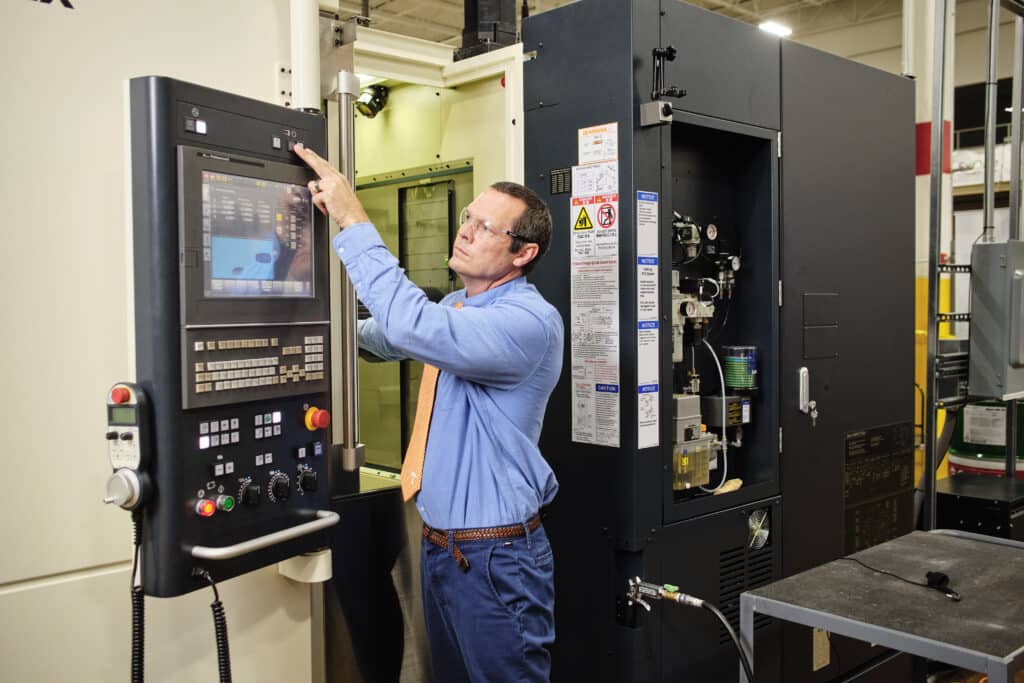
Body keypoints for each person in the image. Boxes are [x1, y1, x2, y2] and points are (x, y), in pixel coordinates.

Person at [294, 143, 564, 683]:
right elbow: (385, 335)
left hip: (496, 558)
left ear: (523, 254)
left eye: (486, 228)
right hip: (444, 549)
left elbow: (412, 326)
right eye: (469, 218)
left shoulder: (527, 323)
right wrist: (303, 328)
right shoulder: (457, 308)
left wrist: (351, 218)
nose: (465, 230)